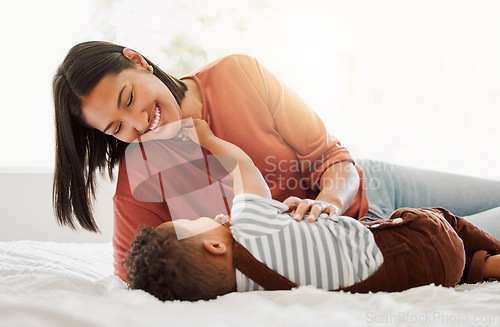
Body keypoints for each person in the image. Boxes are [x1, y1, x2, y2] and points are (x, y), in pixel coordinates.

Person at [53, 41, 500, 282]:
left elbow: (331, 157)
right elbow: (137, 275)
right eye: (116, 128)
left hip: (373, 188)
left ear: (138, 61)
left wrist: (328, 201)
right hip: (364, 246)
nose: (138, 124)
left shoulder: (236, 74)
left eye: (129, 99)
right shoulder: (142, 173)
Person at [123, 119, 500, 301]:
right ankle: (490, 249)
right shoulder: (249, 227)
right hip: (416, 241)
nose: (206, 217)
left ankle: (480, 267)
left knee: (460, 262)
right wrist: (205, 137)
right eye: (194, 223)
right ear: (215, 246)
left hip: (431, 275)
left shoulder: (246, 292)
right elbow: (243, 168)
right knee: (442, 221)